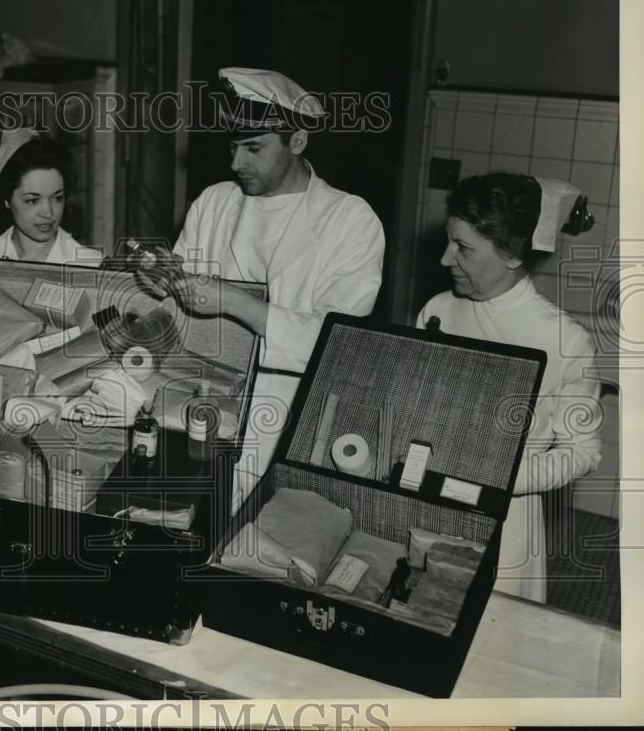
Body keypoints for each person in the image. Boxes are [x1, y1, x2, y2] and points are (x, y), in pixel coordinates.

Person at [170, 67, 385, 510]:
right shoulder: (214, 202)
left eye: (253, 148)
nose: (236, 164)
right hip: (204, 400)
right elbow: (179, 309)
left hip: (291, 413)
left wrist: (233, 302)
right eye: (233, 147)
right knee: (191, 528)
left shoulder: (349, 220)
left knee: (261, 546)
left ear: (298, 141)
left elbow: (338, 342)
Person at [416, 172, 602, 603]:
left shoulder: (564, 339)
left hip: (505, 518)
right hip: (426, 501)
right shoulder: (437, 310)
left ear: (514, 255)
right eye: (449, 242)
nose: (446, 259)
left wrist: (504, 480)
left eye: (463, 248)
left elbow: (583, 452)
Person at [0, 131, 102, 272]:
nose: (48, 213)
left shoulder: (91, 265)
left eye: (57, 198)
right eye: (32, 200)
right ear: (7, 200)